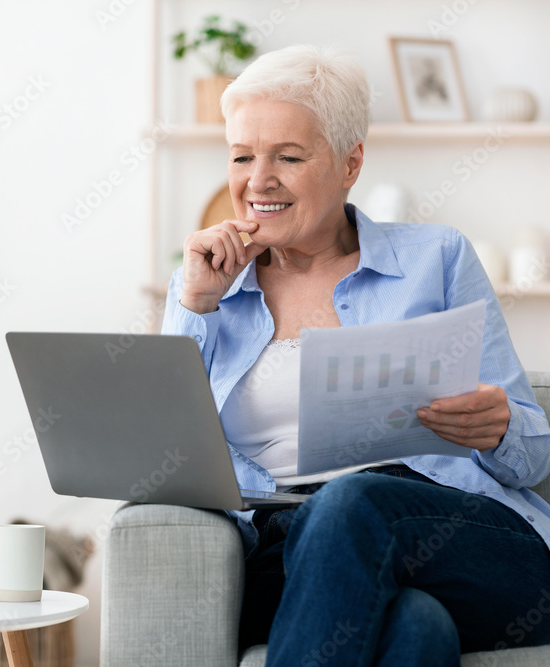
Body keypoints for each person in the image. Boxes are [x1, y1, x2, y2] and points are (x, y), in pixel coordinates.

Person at [161, 44, 550, 665]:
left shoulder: (437, 258)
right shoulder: (208, 288)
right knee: (416, 627)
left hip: (453, 536)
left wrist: (498, 427)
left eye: (287, 156)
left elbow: (532, 459)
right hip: (288, 548)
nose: (257, 180)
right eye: (241, 156)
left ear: (350, 162)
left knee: (354, 502)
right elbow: (162, 460)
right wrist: (195, 306)